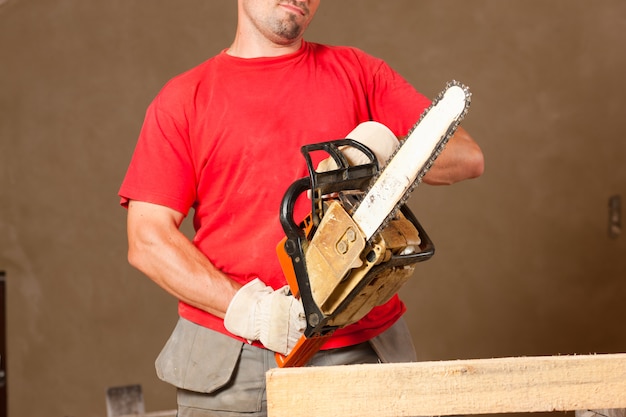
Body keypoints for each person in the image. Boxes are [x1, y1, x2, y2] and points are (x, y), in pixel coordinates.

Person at [119, 1, 484, 416]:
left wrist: (387, 154)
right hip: (230, 362)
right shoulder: (186, 98)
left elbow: (466, 155)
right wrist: (252, 310)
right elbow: (147, 240)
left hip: (359, 351)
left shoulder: (359, 73)